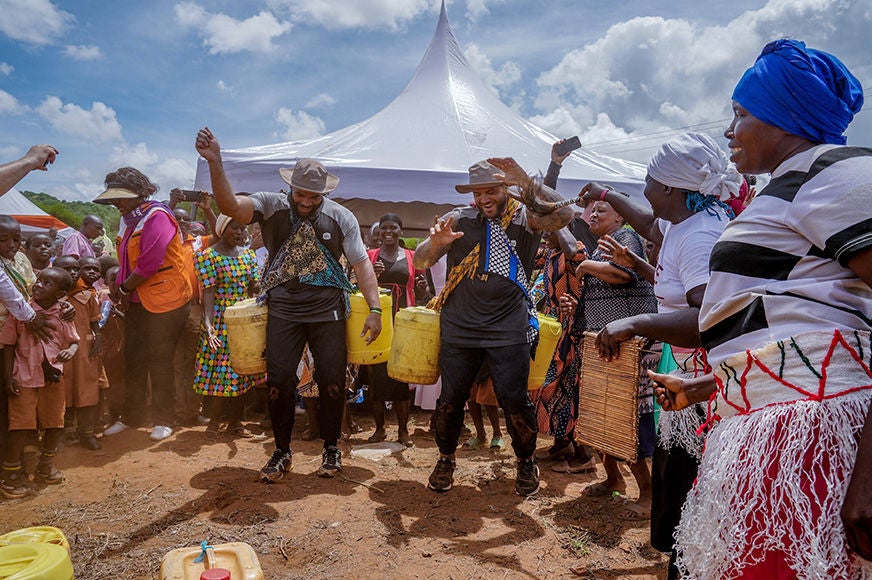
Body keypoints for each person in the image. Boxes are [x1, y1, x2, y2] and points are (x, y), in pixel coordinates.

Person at [650, 39, 872, 578]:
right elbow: (791, 319)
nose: (729, 131)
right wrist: (710, 385)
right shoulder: (787, 190)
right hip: (769, 431)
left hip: (810, 441)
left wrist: (868, 473)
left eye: (741, 114)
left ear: (784, 118)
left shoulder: (839, 175)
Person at [586, 132, 741, 576]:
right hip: (685, 372)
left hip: (703, 386)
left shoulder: (700, 237)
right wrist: (604, 192)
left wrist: (633, 322)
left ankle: (690, 565)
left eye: (650, 180)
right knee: (679, 483)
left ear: (671, 189)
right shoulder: (687, 218)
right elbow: (652, 225)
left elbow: (708, 320)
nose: (645, 189)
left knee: (692, 489)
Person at [195, 126, 382, 481]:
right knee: (279, 382)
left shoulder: (341, 217)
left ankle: (331, 448)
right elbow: (230, 206)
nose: (307, 202)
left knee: (331, 382)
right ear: (290, 187)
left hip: (328, 311)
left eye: (314, 196)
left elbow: (361, 264)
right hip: (282, 310)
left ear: (324, 193)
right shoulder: (271, 204)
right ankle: (282, 452)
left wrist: (374, 310)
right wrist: (216, 162)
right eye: (301, 194)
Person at [414, 158, 575, 496]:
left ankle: (525, 461)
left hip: (508, 326)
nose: (483, 199)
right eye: (477, 193)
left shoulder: (526, 217)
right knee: (450, 400)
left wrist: (527, 184)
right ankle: (445, 458)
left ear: (506, 188)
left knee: (514, 400)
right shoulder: (458, 217)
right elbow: (421, 260)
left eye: (490, 191)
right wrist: (436, 243)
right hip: (459, 326)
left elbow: (565, 215)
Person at [94, 167, 193, 442]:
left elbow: (149, 263)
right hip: (137, 301)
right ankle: (132, 417)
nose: (116, 203)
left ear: (140, 193)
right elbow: (125, 260)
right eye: (113, 197)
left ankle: (164, 419)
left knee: (160, 359)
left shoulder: (157, 216)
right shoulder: (127, 220)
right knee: (134, 359)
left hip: (166, 300)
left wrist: (123, 287)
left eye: (121, 197)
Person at [0, 267, 78, 498]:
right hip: (23, 377)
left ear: (60, 293)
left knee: (55, 422)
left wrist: (70, 352)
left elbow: (74, 341)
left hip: (53, 377)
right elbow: (8, 344)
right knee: (20, 426)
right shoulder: (21, 312)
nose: (38, 285)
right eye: (39, 280)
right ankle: (10, 476)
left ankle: (46, 467)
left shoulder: (63, 314)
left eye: (46, 283)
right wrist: (8, 376)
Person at [195, 215, 265, 439]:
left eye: (243, 229)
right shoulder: (208, 256)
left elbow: (254, 287)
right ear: (222, 229)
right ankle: (214, 423)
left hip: (243, 321)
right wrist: (208, 325)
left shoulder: (249, 256)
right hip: (221, 321)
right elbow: (208, 292)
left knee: (243, 371)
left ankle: (236, 423)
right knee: (220, 373)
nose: (241, 233)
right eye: (235, 228)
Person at [530, 227, 589, 472]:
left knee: (569, 387)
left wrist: (559, 221)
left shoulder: (576, 251)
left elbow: (573, 251)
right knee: (551, 387)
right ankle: (561, 443)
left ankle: (583, 455)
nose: (545, 233)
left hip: (573, 328)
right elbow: (529, 255)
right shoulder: (552, 254)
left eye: (550, 229)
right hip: (555, 327)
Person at [364, 213, 418, 446]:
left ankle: (403, 431)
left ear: (400, 230)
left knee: (401, 377)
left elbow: (422, 292)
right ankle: (379, 429)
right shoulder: (369, 256)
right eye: (383, 227)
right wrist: (372, 276)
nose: (388, 231)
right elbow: (358, 287)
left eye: (392, 227)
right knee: (376, 377)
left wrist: (424, 289)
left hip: (402, 323)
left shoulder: (412, 257)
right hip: (378, 323)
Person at [58, 256, 103, 451]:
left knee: (87, 388)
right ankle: (67, 430)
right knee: (64, 389)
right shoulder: (49, 296)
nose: (73, 272)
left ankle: (87, 431)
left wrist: (98, 338)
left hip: (84, 349)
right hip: (60, 351)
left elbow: (95, 323)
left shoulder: (87, 295)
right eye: (66, 268)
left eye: (75, 268)